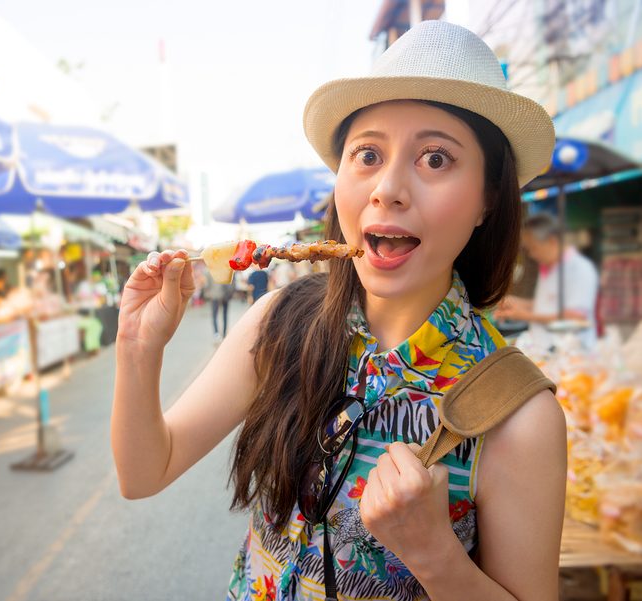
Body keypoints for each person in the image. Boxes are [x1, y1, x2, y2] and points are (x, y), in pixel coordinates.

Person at [112, 20, 566, 600]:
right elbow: (146, 471)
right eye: (368, 153)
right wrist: (137, 349)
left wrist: (435, 555)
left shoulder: (517, 414)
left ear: (487, 198)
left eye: (435, 158)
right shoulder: (279, 323)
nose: (388, 188)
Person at [495, 212, 599, 350]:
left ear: (552, 241)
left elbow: (576, 317)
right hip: (544, 349)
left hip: (571, 352)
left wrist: (525, 315)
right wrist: (516, 302)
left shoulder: (580, 269)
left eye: (534, 248)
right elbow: (548, 304)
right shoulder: (548, 268)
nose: (532, 254)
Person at [202, 275, 235, 342]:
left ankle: (216, 333)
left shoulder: (210, 270)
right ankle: (224, 332)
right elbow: (232, 283)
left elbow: (207, 285)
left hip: (214, 295)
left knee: (214, 315)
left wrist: (208, 294)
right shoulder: (227, 268)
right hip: (225, 295)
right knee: (224, 314)